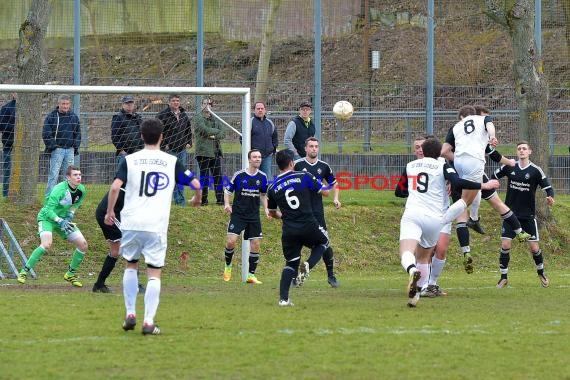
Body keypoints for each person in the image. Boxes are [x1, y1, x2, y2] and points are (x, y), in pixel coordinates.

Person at [105, 118, 201, 335]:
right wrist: (196, 198)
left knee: (131, 265)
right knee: (154, 273)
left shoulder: (130, 160)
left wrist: (111, 211)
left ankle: (130, 313)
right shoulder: (171, 161)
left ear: (141, 136)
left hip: (131, 222)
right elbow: (196, 183)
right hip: (156, 225)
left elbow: (114, 187)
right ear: (162, 137)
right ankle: (148, 321)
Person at [396, 137, 499, 307]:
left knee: (407, 252)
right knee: (424, 257)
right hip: (435, 219)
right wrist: (484, 185)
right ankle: (415, 297)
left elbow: (399, 191)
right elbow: (458, 182)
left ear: (423, 150)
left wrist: (414, 191)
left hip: (413, 213)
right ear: (439, 153)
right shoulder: (442, 165)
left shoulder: (409, 166)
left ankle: (411, 270)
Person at [267, 149, 329, 307]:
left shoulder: (272, 187)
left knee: (291, 263)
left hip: (289, 229)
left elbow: (272, 213)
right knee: (323, 243)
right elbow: (325, 192)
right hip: (308, 223)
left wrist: (284, 216)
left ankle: (283, 299)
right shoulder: (304, 176)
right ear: (291, 163)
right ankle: (308, 265)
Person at [492, 141, 555, 288]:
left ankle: (541, 273)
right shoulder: (510, 166)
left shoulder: (535, 170)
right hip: (510, 215)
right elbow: (493, 176)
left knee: (534, 248)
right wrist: (492, 184)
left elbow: (548, 187)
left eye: (524, 149)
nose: (521, 151)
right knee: (505, 244)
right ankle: (503, 278)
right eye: (519, 148)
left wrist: (550, 197)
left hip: (527, 216)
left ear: (530, 152)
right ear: (517, 151)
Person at [396, 135, 450, 297]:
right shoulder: (418, 166)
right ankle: (423, 287)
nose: (419, 149)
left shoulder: (438, 165)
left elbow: (399, 190)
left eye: (421, 146)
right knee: (424, 255)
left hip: (433, 212)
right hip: (431, 216)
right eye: (416, 147)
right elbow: (400, 190)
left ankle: (426, 281)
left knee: (437, 250)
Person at [17, 165, 88, 287]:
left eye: (80, 175)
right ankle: (24, 271)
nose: (78, 177)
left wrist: (70, 215)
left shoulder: (82, 190)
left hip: (64, 221)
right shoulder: (59, 189)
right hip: (47, 218)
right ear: (68, 178)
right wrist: (60, 221)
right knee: (46, 244)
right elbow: (48, 210)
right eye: (75, 175)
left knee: (83, 245)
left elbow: (75, 204)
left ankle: (70, 274)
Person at [294, 137, 341, 288]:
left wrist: (335, 198)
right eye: (311, 146)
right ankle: (296, 274)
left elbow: (334, 183)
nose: (314, 149)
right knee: (297, 243)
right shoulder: (298, 165)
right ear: (305, 148)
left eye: (316, 146)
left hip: (317, 212)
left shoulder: (324, 166)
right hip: (300, 211)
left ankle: (331, 275)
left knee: (325, 243)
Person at [222, 149, 269, 284]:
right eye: (255, 157)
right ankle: (228, 266)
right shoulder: (239, 175)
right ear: (249, 159)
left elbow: (263, 195)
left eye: (259, 157)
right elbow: (228, 191)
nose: (258, 159)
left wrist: (266, 209)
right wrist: (227, 204)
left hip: (254, 216)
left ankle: (251, 275)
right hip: (238, 215)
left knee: (255, 244)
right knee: (231, 241)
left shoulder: (263, 176)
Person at [93, 187, 145, 294]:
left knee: (115, 252)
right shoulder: (129, 179)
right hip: (108, 214)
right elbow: (115, 189)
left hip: (113, 214)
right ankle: (134, 285)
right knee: (131, 245)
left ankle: (99, 284)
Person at [157, 94, 193, 206]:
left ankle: (180, 201)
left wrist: (189, 142)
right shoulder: (162, 115)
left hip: (181, 150)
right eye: (173, 101)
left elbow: (188, 129)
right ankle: (163, 201)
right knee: (166, 176)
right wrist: (164, 145)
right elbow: (157, 131)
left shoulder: (183, 114)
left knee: (180, 176)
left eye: (177, 100)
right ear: (169, 102)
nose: (176, 102)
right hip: (169, 151)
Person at [43, 94, 81, 197]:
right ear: (59, 104)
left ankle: (66, 198)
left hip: (70, 150)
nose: (65, 106)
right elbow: (46, 133)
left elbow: (78, 133)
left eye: (67, 104)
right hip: (57, 150)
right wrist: (54, 146)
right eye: (63, 104)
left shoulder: (73, 117)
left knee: (69, 176)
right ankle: (49, 198)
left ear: (70, 104)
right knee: (53, 176)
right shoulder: (51, 117)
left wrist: (74, 146)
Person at [194, 98, 226, 205]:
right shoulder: (198, 117)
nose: (207, 106)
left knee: (218, 177)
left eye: (209, 104)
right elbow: (205, 130)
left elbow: (223, 133)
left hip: (215, 151)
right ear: (202, 105)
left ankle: (220, 200)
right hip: (203, 152)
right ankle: (203, 200)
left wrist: (214, 135)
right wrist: (216, 132)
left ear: (212, 106)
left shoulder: (215, 118)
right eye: (205, 103)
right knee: (205, 177)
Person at [111, 95, 144, 166]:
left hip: (138, 153)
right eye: (127, 103)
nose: (129, 105)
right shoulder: (118, 117)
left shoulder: (138, 117)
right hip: (125, 154)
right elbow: (114, 136)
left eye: (131, 103)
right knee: (123, 176)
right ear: (123, 104)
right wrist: (122, 151)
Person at [249, 101, 278, 180]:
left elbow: (274, 137)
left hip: (267, 156)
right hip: (254, 157)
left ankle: (266, 192)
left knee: (266, 179)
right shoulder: (249, 122)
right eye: (258, 108)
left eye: (262, 108)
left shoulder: (270, 123)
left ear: (265, 110)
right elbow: (243, 139)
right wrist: (251, 152)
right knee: (253, 178)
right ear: (254, 110)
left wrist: (273, 149)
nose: (260, 110)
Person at [0, 94, 16, 197]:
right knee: (8, 170)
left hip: (26, 147)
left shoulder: (29, 108)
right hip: (8, 145)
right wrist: (15, 126)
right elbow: (1, 125)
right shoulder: (6, 108)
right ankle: (5, 194)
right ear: (13, 94)